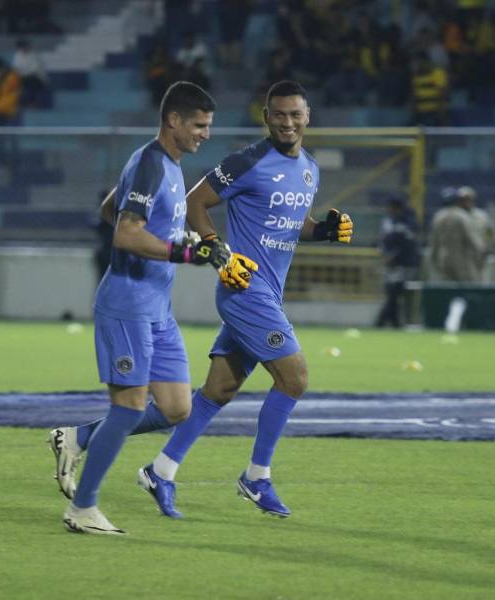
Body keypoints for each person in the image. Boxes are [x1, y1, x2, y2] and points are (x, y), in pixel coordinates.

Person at [51, 80, 354, 522]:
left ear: (307, 117)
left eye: (296, 114)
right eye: (279, 114)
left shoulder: (308, 167)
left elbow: (291, 223)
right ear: (266, 117)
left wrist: (322, 230)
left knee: (210, 394)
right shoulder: (243, 161)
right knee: (295, 379)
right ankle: (256, 477)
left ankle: (159, 469)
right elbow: (194, 206)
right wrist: (215, 252)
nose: (288, 122)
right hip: (243, 290)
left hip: (249, 293)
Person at [49, 81, 223, 535]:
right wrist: (182, 252)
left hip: (156, 307)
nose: (205, 134)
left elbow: (113, 208)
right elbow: (124, 233)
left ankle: (79, 437)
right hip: (126, 304)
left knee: (176, 407)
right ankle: (82, 508)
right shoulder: (149, 163)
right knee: (127, 407)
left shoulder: (169, 165)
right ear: (174, 121)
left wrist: (170, 238)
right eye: (199, 126)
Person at [375, 196, 420, 328]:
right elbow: (384, 240)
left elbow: (406, 243)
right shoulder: (390, 221)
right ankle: (393, 323)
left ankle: (383, 321)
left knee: (395, 293)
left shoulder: (408, 222)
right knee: (392, 293)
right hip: (392, 264)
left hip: (404, 263)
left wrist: (393, 256)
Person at [427, 187, 485, 283]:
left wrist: (435, 261)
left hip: (444, 259)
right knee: (466, 291)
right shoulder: (461, 216)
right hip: (461, 261)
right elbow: (474, 241)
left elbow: (434, 243)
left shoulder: (438, 217)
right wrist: (479, 259)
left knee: (447, 291)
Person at [11, 39, 48, 107]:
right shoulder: (17, 56)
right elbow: (15, 68)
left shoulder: (34, 55)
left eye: (24, 47)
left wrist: (22, 75)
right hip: (23, 77)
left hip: (37, 79)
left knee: (31, 81)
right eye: (20, 48)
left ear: (27, 46)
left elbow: (34, 70)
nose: (22, 49)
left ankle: (32, 102)